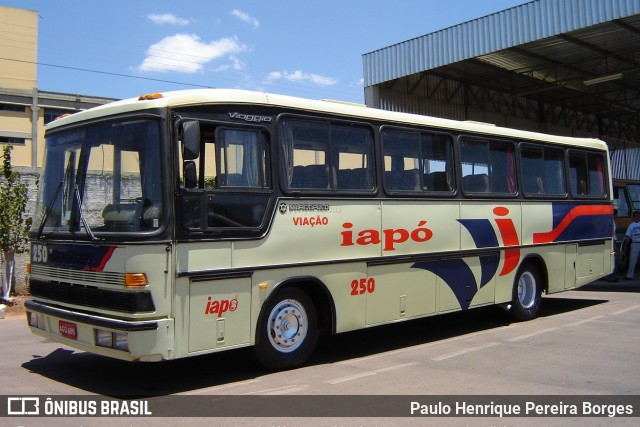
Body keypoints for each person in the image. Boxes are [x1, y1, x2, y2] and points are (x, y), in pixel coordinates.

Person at [624, 210, 640, 280]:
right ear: (633, 217)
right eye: (636, 216)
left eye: (639, 216)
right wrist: (625, 246)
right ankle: (629, 275)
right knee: (633, 260)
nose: (637, 217)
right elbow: (628, 236)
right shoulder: (631, 225)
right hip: (635, 244)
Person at [605, 209, 619, 282]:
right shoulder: (612, 222)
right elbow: (612, 234)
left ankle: (607, 277)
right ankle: (612, 277)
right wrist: (614, 245)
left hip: (609, 242)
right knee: (615, 261)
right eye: (616, 214)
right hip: (612, 242)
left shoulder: (607, 221)